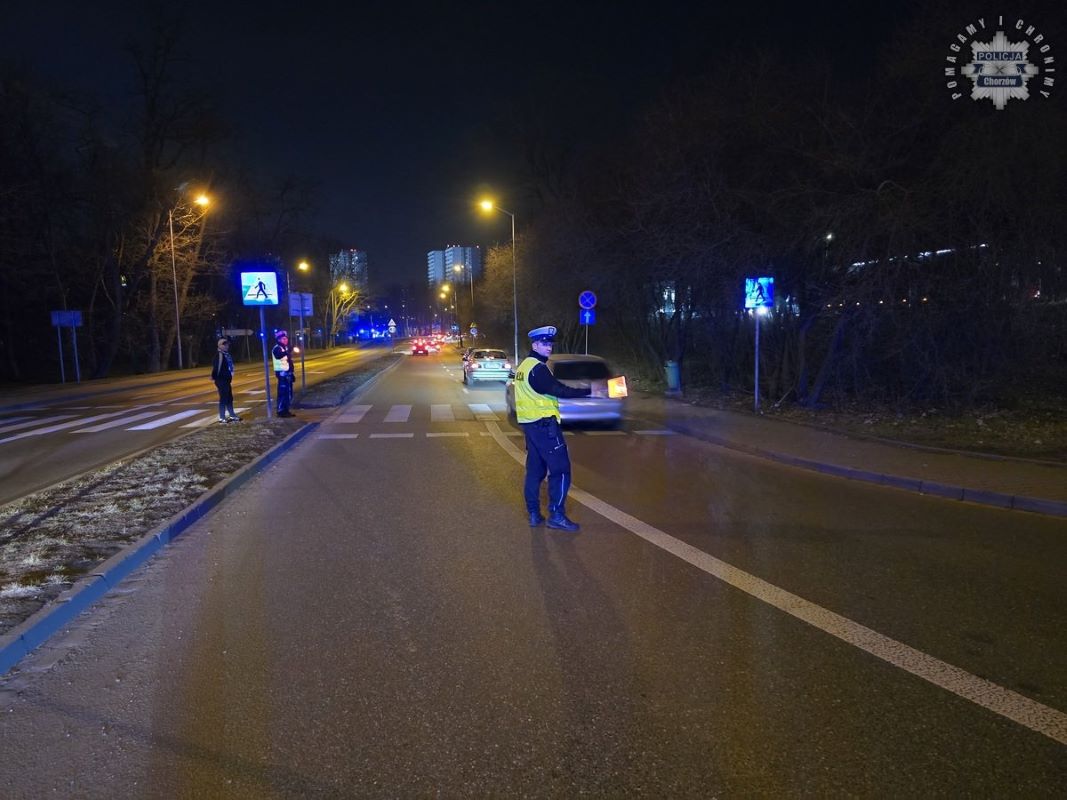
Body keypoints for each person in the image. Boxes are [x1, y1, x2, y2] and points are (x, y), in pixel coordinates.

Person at [513, 325, 592, 532]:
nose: (549, 347)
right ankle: (556, 515)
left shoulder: (524, 366)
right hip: (545, 427)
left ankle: (533, 514)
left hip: (531, 427)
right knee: (561, 470)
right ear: (535, 344)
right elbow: (558, 389)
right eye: (545, 344)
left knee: (535, 471)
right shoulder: (538, 369)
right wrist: (588, 391)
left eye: (550, 344)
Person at [210, 338, 240, 423]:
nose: (227, 346)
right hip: (221, 380)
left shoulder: (226, 355)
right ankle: (222, 417)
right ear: (220, 346)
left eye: (227, 344)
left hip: (227, 379)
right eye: (224, 344)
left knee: (229, 398)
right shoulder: (219, 355)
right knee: (223, 398)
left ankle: (232, 415)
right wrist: (213, 376)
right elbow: (216, 367)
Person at [272, 330, 295, 417]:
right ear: (279, 340)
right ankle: (281, 411)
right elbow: (278, 355)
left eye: (286, 338)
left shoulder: (284, 348)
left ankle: (286, 410)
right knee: (283, 393)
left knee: (288, 393)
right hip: (282, 374)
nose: (286, 340)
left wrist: (291, 373)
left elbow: (289, 362)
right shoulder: (277, 348)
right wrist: (287, 351)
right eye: (283, 339)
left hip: (287, 374)